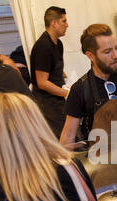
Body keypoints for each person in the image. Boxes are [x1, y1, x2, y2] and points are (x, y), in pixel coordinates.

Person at [30, 6, 70, 138]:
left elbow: (50, 68)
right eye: (64, 21)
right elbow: (42, 83)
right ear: (54, 23)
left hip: (57, 98)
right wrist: (68, 93)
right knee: (61, 139)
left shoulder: (58, 44)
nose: (67, 25)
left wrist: (60, 74)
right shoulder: (43, 47)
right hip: (46, 103)